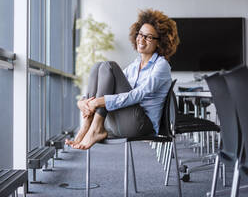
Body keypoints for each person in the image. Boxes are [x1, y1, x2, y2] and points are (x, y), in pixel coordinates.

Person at [66, 9, 180, 150]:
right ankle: (88, 124)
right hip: (122, 122)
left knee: (109, 66)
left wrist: (98, 102)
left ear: (160, 42)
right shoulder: (134, 65)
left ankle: (96, 128)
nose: (142, 39)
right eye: (140, 34)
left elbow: (137, 95)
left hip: (142, 125)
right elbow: (109, 83)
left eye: (149, 37)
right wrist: (83, 102)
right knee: (98, 67)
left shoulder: (161, 65)